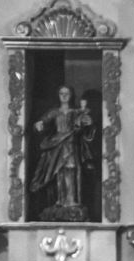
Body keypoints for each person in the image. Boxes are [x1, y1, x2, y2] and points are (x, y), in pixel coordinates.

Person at [30, 84, 95, 219]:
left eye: (67, 93)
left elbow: (86, 129)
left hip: (72, 146)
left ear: (71, 96)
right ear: (58, 95)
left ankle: (72, 201)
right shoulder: (54, 112)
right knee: (58, 172)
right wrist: (39, 125)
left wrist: (88, 124)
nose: (64, 96)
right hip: (57, 146)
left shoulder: (76, 112)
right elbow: (42, 122)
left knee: (71, 169)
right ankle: (60, 201)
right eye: (61, 93)